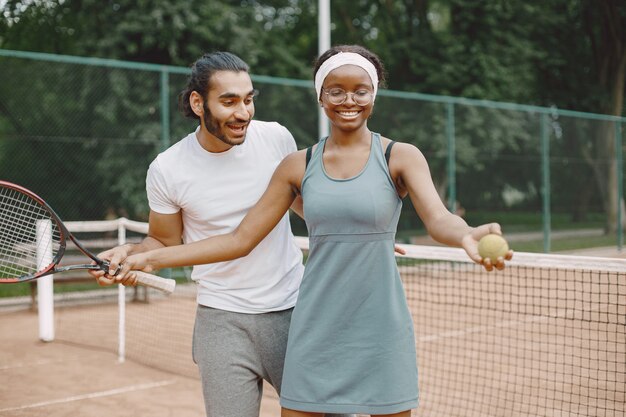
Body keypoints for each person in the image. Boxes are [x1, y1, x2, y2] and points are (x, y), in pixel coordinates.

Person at [113, 45, 513, 417]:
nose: (349, 101)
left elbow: (433, 216)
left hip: (333, 315)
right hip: (263, 319)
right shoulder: (198, 167)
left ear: (375, 94)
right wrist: (141, 256)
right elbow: (234, 240)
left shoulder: (362, 151)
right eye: (336, 91)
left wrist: (456, 235)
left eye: (248, 99)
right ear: (321, 96)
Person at [90, 51, 352, 417]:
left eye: (248, 100)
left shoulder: (276, 138)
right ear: (198, 103)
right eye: (228, 101)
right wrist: (130, 254)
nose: (243, 113)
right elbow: (163, 242)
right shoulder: (167, 169)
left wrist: (360, 234)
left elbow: (305, 206)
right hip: (221, 320)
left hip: (293, 309)